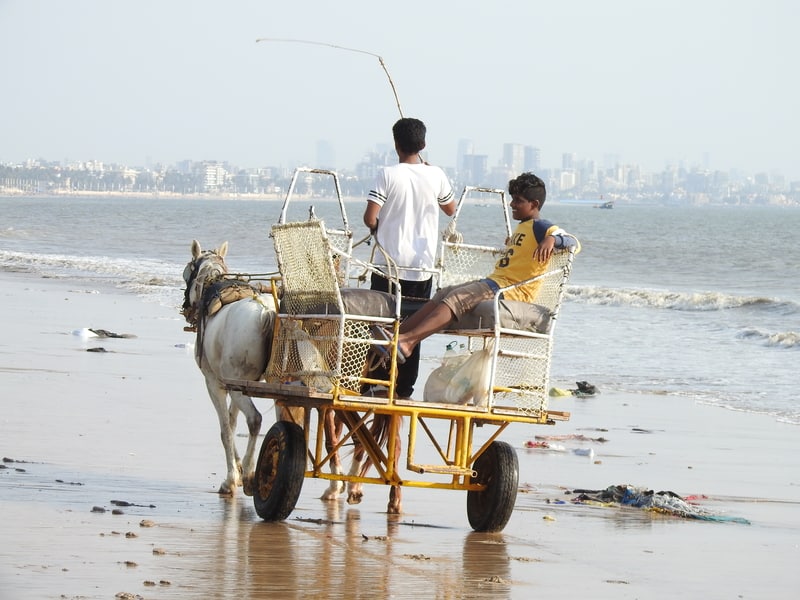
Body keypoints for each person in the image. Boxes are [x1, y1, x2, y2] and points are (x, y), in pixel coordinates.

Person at [392, 171, 580, 361]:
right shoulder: (524, 226)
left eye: (518, 200)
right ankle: (397, 334)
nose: (512, 204)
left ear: (534, 204)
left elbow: (573, 242)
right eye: (512, 199)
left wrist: (551, 239)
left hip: (511, 289)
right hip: (496, 282)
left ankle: (408, 342)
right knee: (443, 293)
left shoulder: (541, 226)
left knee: (458, 298)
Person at [363, 117, 456, 398]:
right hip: (422, 269)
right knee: (413, 329)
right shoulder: (437, 174)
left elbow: (370, 217)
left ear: (395, 145)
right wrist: (429, 171)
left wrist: (377, 227)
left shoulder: (387, 174)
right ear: (423, 145)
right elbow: (450, 209)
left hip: (388, 267)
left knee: (380, 326)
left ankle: (377, 383)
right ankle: (404, 388)